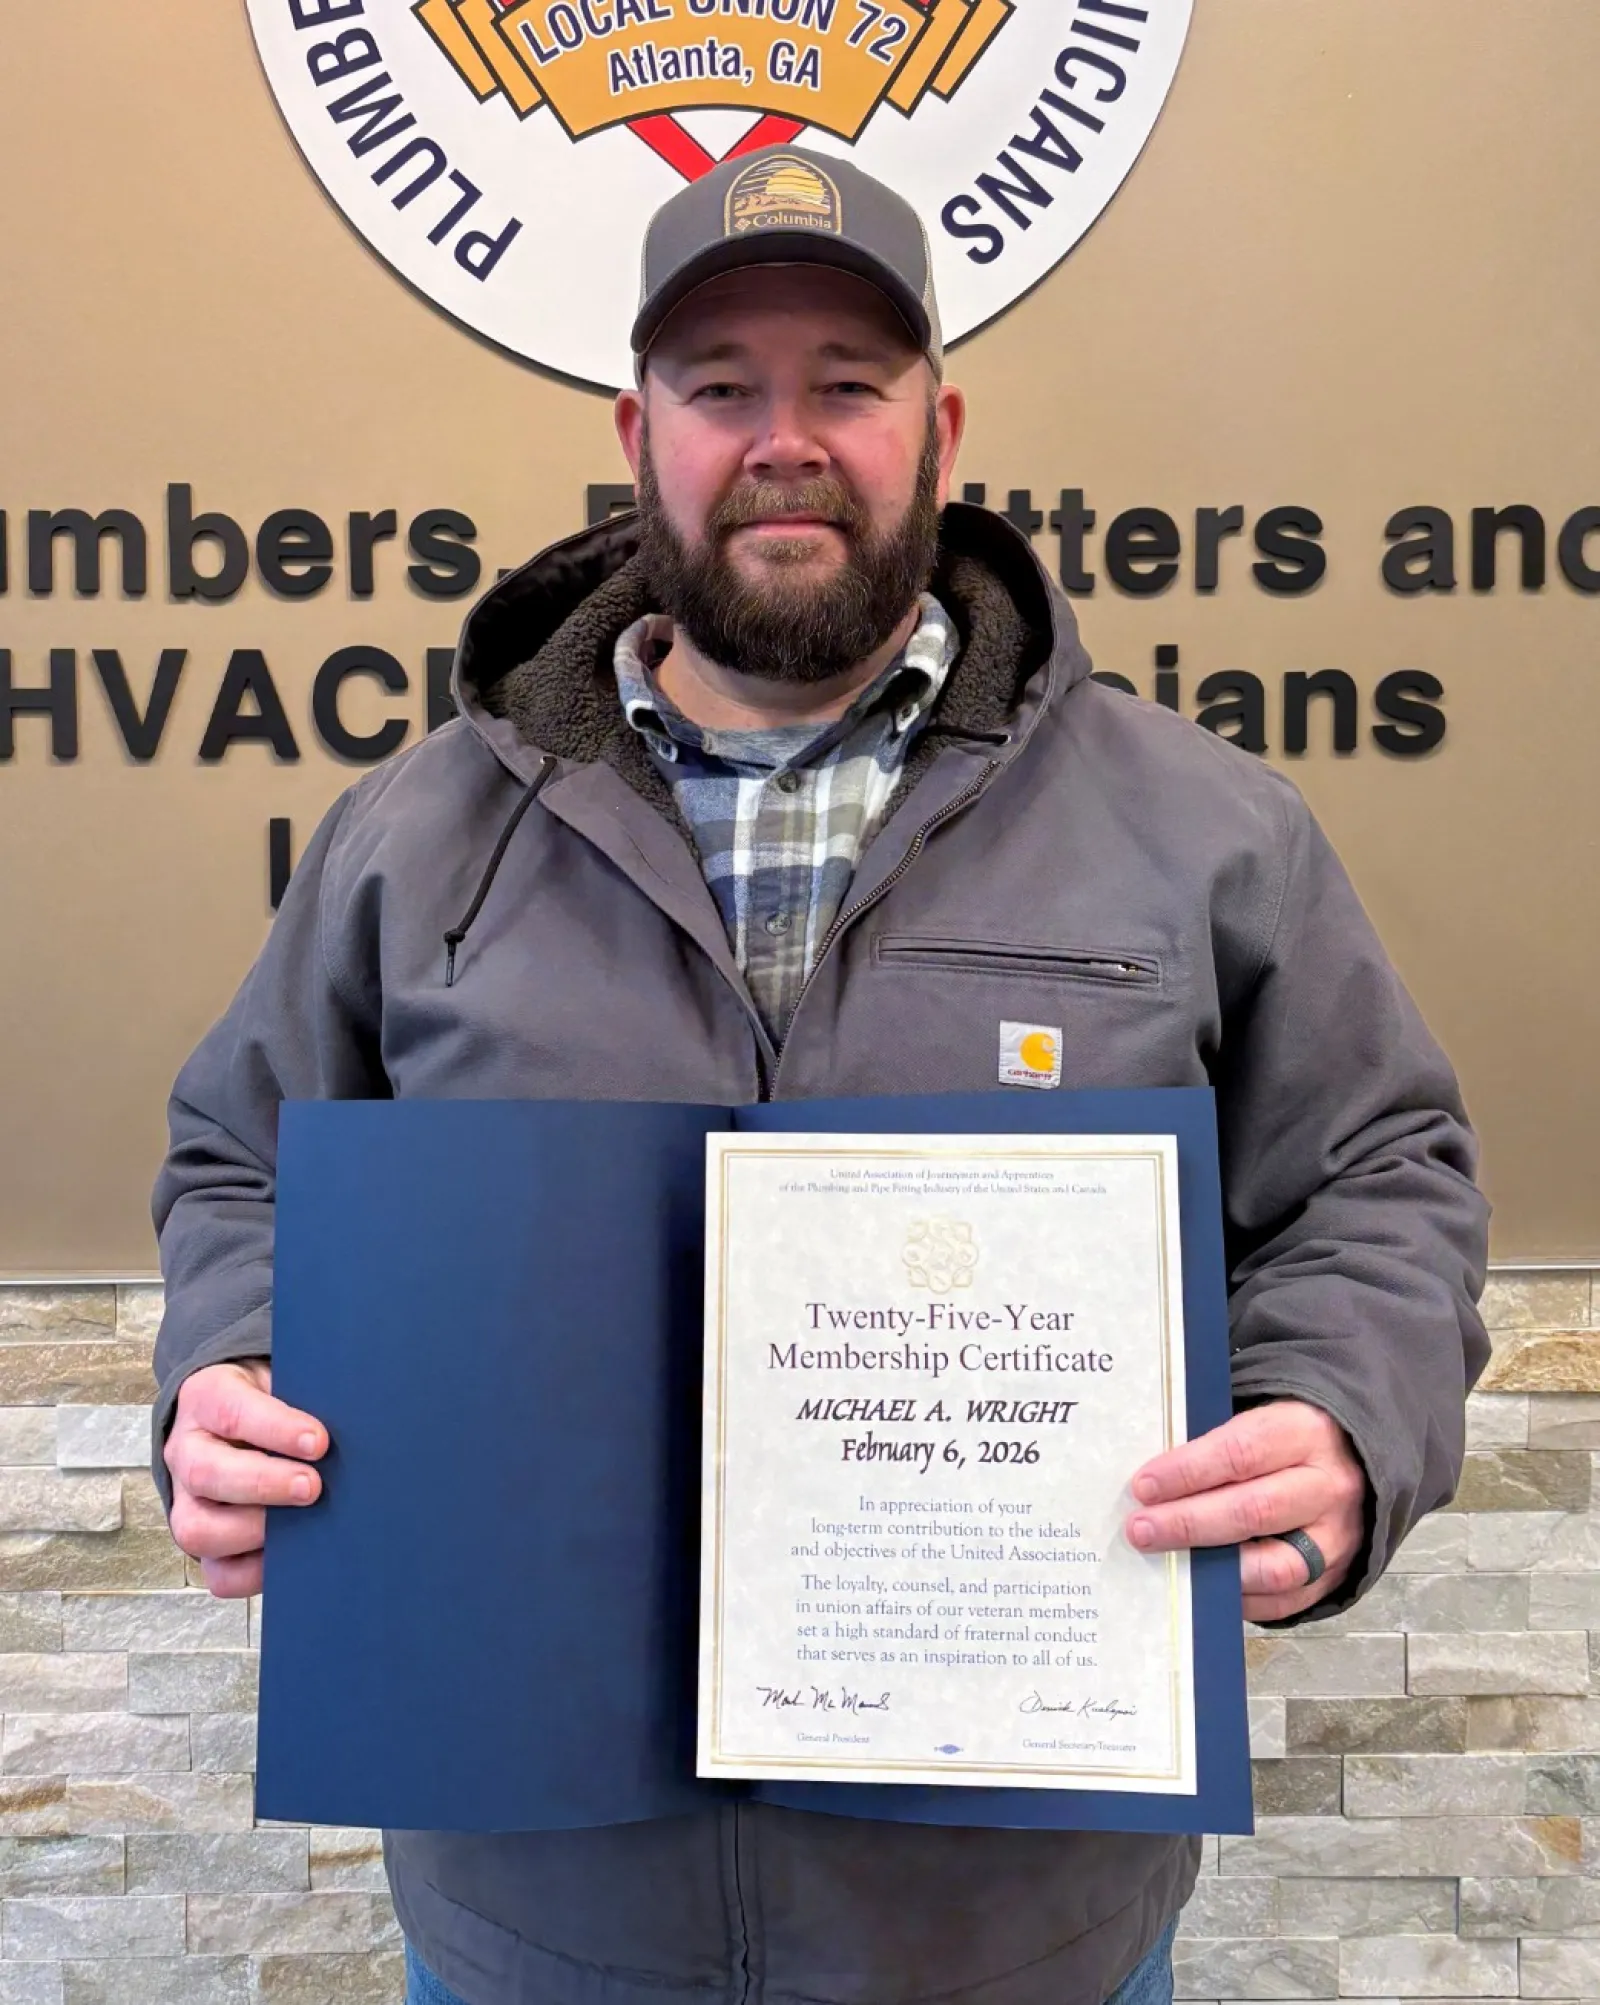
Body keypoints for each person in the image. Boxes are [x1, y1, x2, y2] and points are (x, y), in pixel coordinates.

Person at [150, 146, 1489, 2005]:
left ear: (944, 429)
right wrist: (226, 1364)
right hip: (536, 1926)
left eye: (846, 384)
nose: (786, 438)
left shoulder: (1199, 826)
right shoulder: (413, 833)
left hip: (1023, 1937)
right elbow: (239, 1153)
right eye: (722, 387)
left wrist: (1341, 1414)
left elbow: (1380, 1168)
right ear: (638, 432)